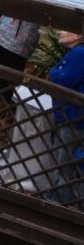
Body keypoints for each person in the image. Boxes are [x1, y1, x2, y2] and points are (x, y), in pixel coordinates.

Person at [45, 30, 84, 206]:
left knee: (63, 166)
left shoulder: (79, 53)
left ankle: (55, 207)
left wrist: (53, 72)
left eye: (67, 29)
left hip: (72, 117)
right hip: (73, 116)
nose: (60, 32)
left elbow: (64, 78)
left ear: (78, 35)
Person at [0, 16, 40, 106]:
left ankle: (5, 108)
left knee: (10, 79)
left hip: (19, 43)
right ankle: (2, 103)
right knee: (0, 74)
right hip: (1, 34)